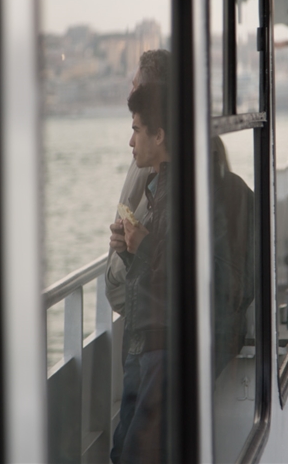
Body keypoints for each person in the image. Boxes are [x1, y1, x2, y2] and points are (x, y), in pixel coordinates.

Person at [111, 82, 171, 464]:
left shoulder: (177, 195)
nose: (131, 142)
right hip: (146, 344)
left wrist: (143, 246)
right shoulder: (157, 187)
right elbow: (155, 272)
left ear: (158, 134)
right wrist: (128, 250)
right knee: (122, 449)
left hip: (160, 347)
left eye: (136, 129)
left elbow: (180, 280)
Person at [106, 50, 170, 314]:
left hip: (149, 314)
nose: (130, 95)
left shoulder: (151, 163)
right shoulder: (147, 156)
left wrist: (127, 254)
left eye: (135, 87)